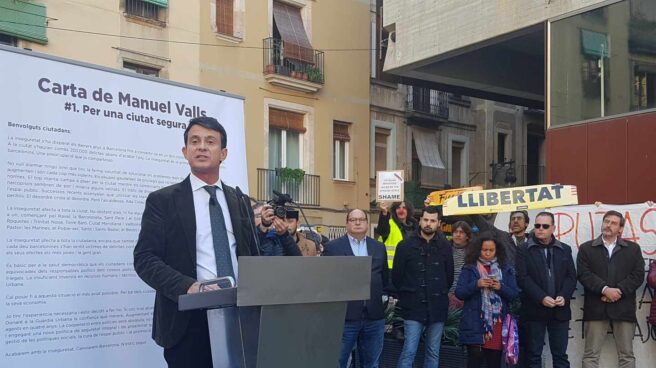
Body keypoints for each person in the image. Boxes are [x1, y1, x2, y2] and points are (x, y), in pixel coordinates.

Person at [133, 117, 265, 368]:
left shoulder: (240, 200)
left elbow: (250, 255)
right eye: (195, 141)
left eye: (210, 141)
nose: (201, 147)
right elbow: (145, 259)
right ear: (185, 152)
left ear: (223, 153)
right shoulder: (163, 200)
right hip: (188, 322)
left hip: (240, 317)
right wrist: (189, 287)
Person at [577, 210, 645, 368]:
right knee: (590, 355)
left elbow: (638, 275)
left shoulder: (633, 249)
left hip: (624, 308)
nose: (608, 225)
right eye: (606, 221)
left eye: (613, 223)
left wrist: (618, 291)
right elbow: (583, 274)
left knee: (627, 356)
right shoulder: (587, 248)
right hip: (596, 307)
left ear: (621, 229)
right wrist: (604, 289)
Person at [323, 209, 390, 368]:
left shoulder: (379, 247)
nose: (358, 223)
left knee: (372, 363)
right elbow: (326, 280)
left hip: (374, 317)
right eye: (353, 220)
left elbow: (384, 278)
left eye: (361, 219)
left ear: (367, 223)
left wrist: (384, 298)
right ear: (346, 224)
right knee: (338, 362)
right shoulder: (333, 248)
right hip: (345, 318)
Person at [392, 206, 453, 368]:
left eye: (432, 221)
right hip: (413, 306)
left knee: (433, 352)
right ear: (420, 221)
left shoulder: (445, 246)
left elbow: (449, 277)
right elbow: (397, 277)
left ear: (438, 223)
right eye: (425, 219)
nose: (428, 223)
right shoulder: (405, 245)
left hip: (437, 306)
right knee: (409, 351)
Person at [516, 211, 576, 368]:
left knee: (560, 355)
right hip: (534, 309)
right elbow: (522, 278)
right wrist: (541, 297)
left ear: (553, 228)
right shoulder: (523, 249)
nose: (540, 228)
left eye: (545, 226)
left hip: (560, 309)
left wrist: (564, 295)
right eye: (537, 225)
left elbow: (571, 277)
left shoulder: (565, 249)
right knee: (534, 354)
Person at [455, 234, 519, 368]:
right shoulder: (469, 268)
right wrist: (476, 284)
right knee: (474, 360)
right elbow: (459, 293)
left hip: (497, 324)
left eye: (491, 250)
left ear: (497, 251)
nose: (488, 253)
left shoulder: (505, 269)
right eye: (484, 250)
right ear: (478, 250)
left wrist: (500, 287)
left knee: (494, 362)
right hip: (475, 322)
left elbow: (514, 294)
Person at [377, 201, 419, 268]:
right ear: (394, 211)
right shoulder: (389, 224)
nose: (401, 210)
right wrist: (384, 213)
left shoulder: (415, 227)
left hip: (411, 266)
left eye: (404, 208)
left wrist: (427, 207)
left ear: (408, 210)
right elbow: (381, 230)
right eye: (398, 208)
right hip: (391, 268)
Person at [449, 221, 472, 309]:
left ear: (467, 236)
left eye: (461, 232)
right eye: (455, 232)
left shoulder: (473, 252)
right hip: (447, 296)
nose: (458, 235)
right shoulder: (445, 249)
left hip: (465, 297)